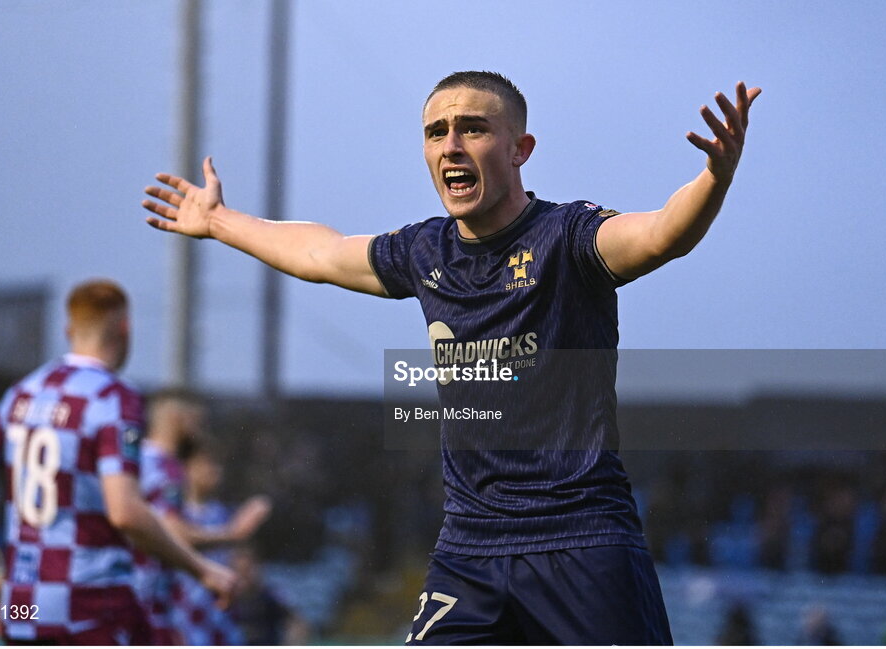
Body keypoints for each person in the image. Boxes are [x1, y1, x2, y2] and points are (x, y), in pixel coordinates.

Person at [141, 71, 761, 644]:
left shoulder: (568, 237)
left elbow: (659, 235)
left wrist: (715, 178)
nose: (451, 144)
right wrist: (220, 221)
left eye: (474, 128)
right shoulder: (424, 251)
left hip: (582, 542)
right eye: (436, 132)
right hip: (470, 549)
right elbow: (320, 254)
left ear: (521, 149)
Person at [0, 279, 235, 645]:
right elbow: (125, 512)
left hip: (22, 608)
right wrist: (202, 569)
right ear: (125, 329)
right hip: (91, 608)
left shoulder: (21, 394)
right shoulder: (113, 397)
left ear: (69, 331)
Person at [135, 388, 271, 644]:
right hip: (149, 603)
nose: (201, 429)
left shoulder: (135, 458)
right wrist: (232, 533)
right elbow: (175, 533)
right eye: (197, 420)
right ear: (177, 418)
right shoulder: (164, 465)